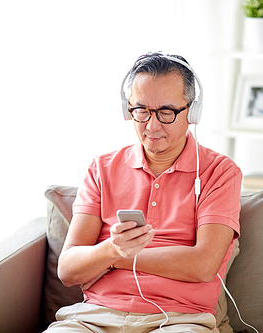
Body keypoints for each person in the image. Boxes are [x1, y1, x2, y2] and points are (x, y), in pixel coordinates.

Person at [45, 52, 243, 333]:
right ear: (128, 110)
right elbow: (68, 270)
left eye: (166, 112)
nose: (152, 126)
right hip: (94, 317)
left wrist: (114, 259)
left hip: (179, 320)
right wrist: (112, 248)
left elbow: (203, 265)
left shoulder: (220, 172)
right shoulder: (101, 169)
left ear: (192, 113)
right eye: (141, 111)